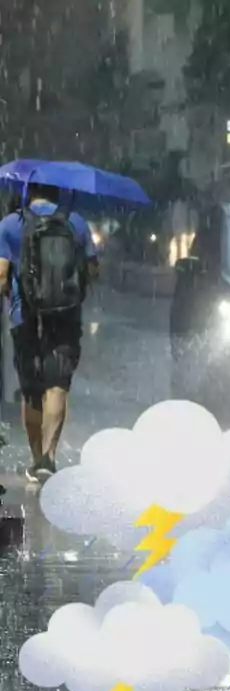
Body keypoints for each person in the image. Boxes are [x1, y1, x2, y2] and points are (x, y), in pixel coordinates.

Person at [0, 183, 98, 483]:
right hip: (65, 314)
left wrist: (11, 297)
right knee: (56, 385)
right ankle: (49, 458)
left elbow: (2, 275)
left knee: (31, 387)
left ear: (29, 191)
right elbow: (94, 271)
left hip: (24, 314)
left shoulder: (11, 223)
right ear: (59, 192)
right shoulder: (76, 222)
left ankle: (34, 458)